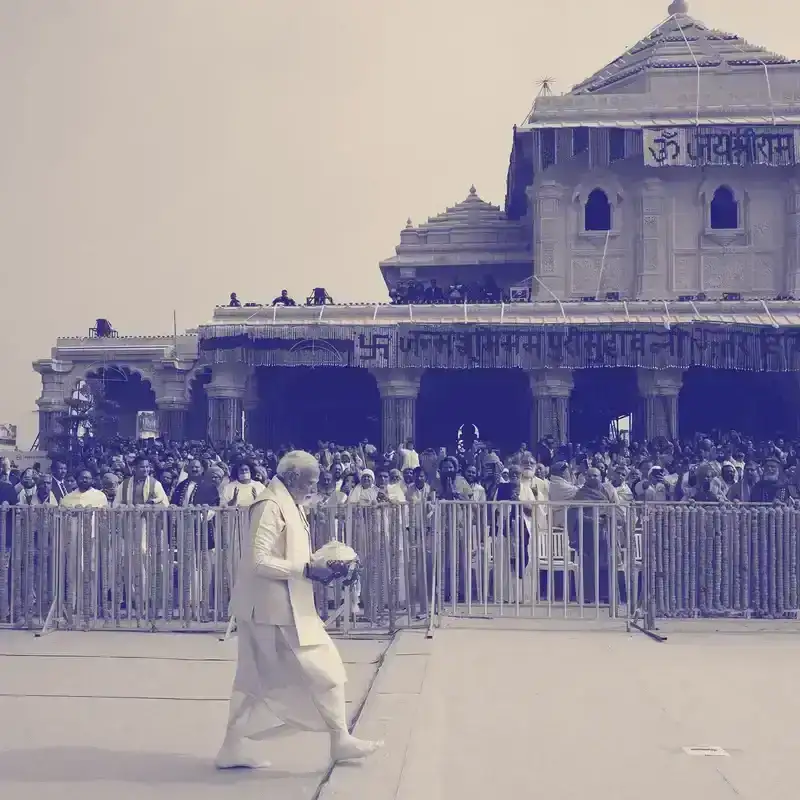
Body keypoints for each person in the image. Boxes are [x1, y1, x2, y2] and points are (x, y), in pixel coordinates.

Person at [216, 450, 382, 769]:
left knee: (252, 682)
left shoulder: (289, 503)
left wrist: (326, 563)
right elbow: (259, 560)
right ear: (293, 476)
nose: (314, 487)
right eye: (311, 481)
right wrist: (307, 569)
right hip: (271, 608)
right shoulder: (269, 505)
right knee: (327, 670)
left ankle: (231, 747)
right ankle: (339, 738)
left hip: (283, 606)